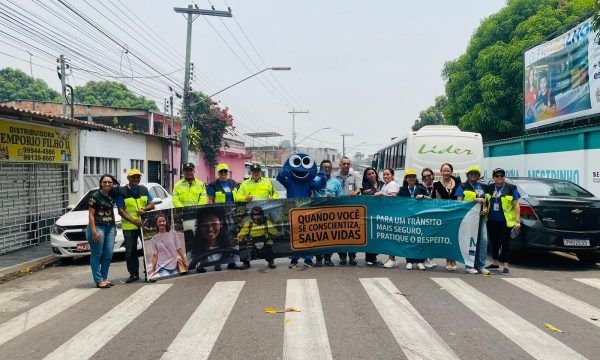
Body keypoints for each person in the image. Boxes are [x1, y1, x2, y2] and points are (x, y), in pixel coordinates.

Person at [117, 169, 155, 283]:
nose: (136, 179)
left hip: (144, 225)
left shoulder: (143, 189)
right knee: (130, 251)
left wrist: (144, 208)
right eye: (133, 177)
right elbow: (120, 210)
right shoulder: (122, 192)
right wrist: (134, 221)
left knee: (148, 250)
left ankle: (149, 273)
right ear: (128, 178)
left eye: (138, 177)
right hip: (129, 227)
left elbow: (151, 204)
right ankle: (133, 274)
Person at [172, 162, 210, 271]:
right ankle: (187, 265)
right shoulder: (178, 185)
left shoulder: (201, 184)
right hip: (184, 217)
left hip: (198, 216)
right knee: (186, 243)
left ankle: (200, 265)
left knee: (199, 241)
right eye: (186, 170)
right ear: (183, 172)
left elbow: (203, 199)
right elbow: (175, 199)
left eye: (190, 170)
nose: (188, 172)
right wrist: (183, 209)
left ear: (194, 171)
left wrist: (197, 210)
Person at [485, 168, 521, 275]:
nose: (499, 177)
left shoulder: (511, 188)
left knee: (505, 242)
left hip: (505, 221)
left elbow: (516, 205)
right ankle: (495, 262)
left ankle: (506, 265)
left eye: (501, 175)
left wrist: (517, 221)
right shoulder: (489, 188)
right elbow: (485, 201)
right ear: (493, 178)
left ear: (504, 177)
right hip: (491, 219)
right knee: (493, 241)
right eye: (497, 176)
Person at [455, 165, 490, 275]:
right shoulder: (462, 186)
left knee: (483, 240)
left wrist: (486, 209)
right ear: (467, 175)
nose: (473, 175)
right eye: (471, 173)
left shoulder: (484, 187)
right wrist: (474, 199)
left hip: (482, 217)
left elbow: (487, 201)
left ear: (479, 176)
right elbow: (459, 203)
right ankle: (469, 265)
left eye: (475, 174)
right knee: (471, 241)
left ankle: (480, 265)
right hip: (469, 218)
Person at [87, 174, 118, 288]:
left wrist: (114, 227)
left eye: (109, 182)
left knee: (108, 254)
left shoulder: (112, 195)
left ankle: (104, 278)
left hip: (110, 227)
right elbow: (91, 215)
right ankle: (99, 280)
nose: (107, 184)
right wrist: (94, 231)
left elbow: (111, 212)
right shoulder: (94, 196)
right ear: (100, 183)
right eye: (105, 182)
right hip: (98, 227)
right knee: (97, 254)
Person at [207, 163, 240, 270]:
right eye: (221, 172)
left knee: (232, 236)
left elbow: (239, 196)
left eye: (225, 171)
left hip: (232, 213)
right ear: (218, 173)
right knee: (220, 237)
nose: (223, 174)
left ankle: (231, 262)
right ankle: (218, 263)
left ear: (228, 172)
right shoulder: (213, 185)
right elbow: (210, 200)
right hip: (219, 215)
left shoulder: (233, 183)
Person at [313, 160, 343, 267]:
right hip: (316, 213)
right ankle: (318, 259)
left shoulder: (336, 182)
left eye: (328, 167)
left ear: (331, 169)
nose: (326, 169)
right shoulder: (314, 180)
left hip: (331, 214)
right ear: (320, 168)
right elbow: (308, 193)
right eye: (324, 167)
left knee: (329, 237)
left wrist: (333, 197)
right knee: (317, 237)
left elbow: (341, 197)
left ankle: (328, 258)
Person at [397, 168, 428, 270]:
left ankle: (420, 261)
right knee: (408, 240)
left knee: (420, 239)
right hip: (407, 218)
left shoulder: (421, 188)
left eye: (413, 177)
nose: (411, 178)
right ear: (406, 179)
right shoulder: (402, 190)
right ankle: (409, 261)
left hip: (420, 218)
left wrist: (423, 196)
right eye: (409, 177)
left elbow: (431, 199)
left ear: (416, 178)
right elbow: (396, 202)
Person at [334, 156, 362, 265]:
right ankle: (342, 257)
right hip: (339, 210)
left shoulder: (354, 176)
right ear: (340, 165)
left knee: (352, 233)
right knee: (340, 234)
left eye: (348, 164)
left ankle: (352, 256)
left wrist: (355, 192)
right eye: (344, 164)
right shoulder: (335, 177)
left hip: (352, 209)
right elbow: (331, 189)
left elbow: (359, 188)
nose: (346, 166)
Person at [434, 163, 461, 271]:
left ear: (451, 172)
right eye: (444, 171)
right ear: (441, 172)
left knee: (454, 238)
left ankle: (453, 260)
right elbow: (438, 201)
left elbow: (460, 199)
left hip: (456, 215)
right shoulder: (437, 185)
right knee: (446, 238)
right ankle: (448, 261)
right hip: (444, 215)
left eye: (448, 170)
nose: (446, 173)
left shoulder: (458, 183)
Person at [149, 213, 188, 278]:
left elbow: (179, 248)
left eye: (163, 221)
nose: (162, 223)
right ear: (156, 223)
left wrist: (185, 261)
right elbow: (155, 255)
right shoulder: (154, 239)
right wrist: (153, 269)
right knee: (168, 279)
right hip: (162, 267)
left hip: (175, 265)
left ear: (166, 222)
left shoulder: (173, 233)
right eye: (159, 221)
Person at [361, 167, 384, 266]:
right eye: (369, 174)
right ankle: (369, 257)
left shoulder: (382, 184)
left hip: (381, 212)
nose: (371, 175)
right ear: (366, 176)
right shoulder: (364, 185)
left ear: (376, 174)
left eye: (373, 173)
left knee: (379, 235)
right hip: (370, 213)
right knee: (370, 235)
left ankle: (374, 257)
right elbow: (365, 194)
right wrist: (374, 191)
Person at [421, 168, 437, 269]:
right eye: (425, 176)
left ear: (432, 176)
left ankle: (430, 259)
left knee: (432, 238)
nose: (427, 178)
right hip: (423, 215)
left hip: (434, 215)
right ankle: (424, 259)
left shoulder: (437, 186)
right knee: (424, 238)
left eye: (428, 175)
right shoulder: (420, 187)